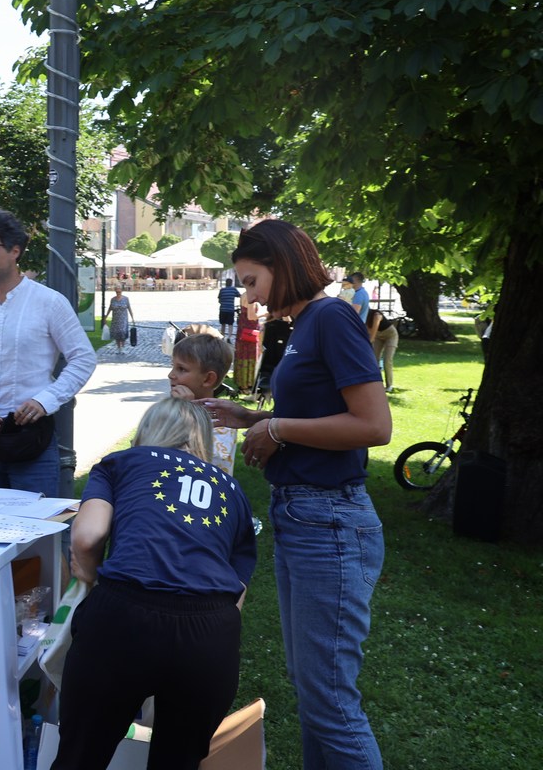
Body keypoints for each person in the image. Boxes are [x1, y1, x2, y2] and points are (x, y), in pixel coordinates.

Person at [202, 219, 391, 770]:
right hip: (303, 517)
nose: (251, 296)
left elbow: (374, 426)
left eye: (253, 280)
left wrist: (278, 429)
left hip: (330, 521)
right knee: (313, 691)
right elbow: (319, 414)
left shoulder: (330, 316)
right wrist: (255, 419)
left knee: (330, 700)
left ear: (282, 266)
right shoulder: (308, 323)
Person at [52, 398, 256, 770]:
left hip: (124, 616)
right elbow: (237, 591)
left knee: (80, 756)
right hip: (210, 633)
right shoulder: (232, 489)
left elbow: (88, 536)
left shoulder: (123, 462)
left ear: (148, 432)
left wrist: (92, 576)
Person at [0, 209, 96, 497]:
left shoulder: (49, 302)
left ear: (15, 250)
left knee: (36, 534)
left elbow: (83, 358)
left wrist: (45, 399)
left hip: (33, 439)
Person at [169, 333, 238, 475]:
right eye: (172, 366)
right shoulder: (168, 409)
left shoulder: (222, 418)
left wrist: (188, 413)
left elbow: (211, 459)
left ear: (208, 379)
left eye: (181, 369)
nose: (171, 374)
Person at [233, 290, 262, 394]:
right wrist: (267, 313)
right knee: (249, 355)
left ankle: (242, 383)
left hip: (243, 328)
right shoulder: (251, 295)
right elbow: (251, 316)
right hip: (250, 331)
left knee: (242, 355)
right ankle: (246, 386)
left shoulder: (244, 294)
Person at [367, 310, 399, 393]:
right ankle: (376, 383)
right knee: (374, 360)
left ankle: (389, 385)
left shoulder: (377, 315)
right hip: (378, 336)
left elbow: (372, 336)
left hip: (390, 335)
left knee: (387, 360)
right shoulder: (363, 317)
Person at [107, 284, 133, 352]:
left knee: (123, 332)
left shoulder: (126, 299)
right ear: (115, 290)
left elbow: (129, 307)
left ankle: (123, 346)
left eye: (119, 288)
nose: (118, 290)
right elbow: (110, 308)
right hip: (116, 318)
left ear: (121, 290)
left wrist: (132, 317)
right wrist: (106, 316)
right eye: (117, 288)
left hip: (123, 318)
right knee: (117, 333)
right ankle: (118, 347)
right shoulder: (113, 299)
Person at [217, 277, 241, 341]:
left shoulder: (222, 290)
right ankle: (229, 337)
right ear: (231, 283)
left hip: (222, 309)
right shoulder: (233, 289)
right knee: (230, 324)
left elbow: (219, 300)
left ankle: (222, 336)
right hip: (230, 309)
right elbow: (239, 295)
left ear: (226, 283)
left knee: (223, 324)